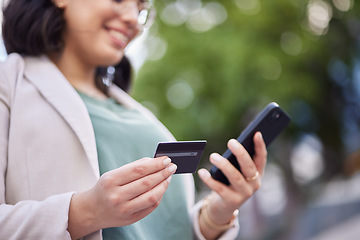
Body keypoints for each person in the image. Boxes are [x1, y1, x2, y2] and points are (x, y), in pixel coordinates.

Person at [0, 0, 267, 239]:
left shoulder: (134, 110)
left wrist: (216, 215)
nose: (132, 19)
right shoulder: (9, 85)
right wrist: (85, 212)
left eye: (141, 9)